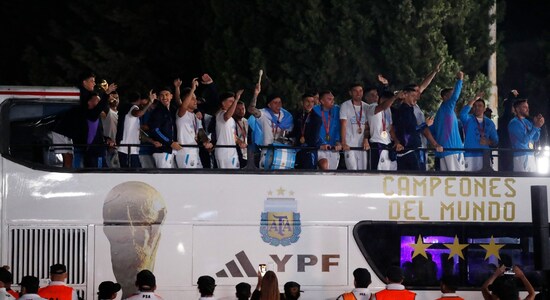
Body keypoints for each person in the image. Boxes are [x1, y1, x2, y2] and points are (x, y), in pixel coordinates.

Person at [394, 85, 442, 170]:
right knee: (418, 177)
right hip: (411, 151)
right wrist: (425, 124)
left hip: (408, 151)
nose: (415, 98)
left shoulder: (408, 109)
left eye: (416, 97)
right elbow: (410, 132)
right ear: (405, 95)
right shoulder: (404, 110)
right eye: (413, 96)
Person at [247, 84, 293, 168]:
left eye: (280, 102)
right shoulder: (264, 113)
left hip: (282, 152)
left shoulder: (287, 116)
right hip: (267, 152)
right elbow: (251, 109)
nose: (278, 105)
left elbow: (291, 134)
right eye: (275, 103)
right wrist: (256, 94)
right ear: (269, 105)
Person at [175, 79, 213, 169]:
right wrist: (192, 89)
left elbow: (200, 131)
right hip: (185, 152)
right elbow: (183, 105)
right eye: (192, 98)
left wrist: (206, 142)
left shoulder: (195, 116)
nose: (195, 101)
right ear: (185, 100)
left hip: (195, 151)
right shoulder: (181, 113)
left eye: (195, 98)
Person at [431, 71, 465, 171]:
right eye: (451, 94)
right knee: (458, 180)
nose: (454, 96)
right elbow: (455, 97)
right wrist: (460, 80)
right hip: (453, 150)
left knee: (447, 181)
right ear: (445, 97)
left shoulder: (439, 114)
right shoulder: (447, 107)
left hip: (442, 153)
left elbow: (431, 131)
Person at [117, 91, 157, 168]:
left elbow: (138, 133)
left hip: (129, 149)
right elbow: (139, 113)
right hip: (127, 149)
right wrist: (150, 102)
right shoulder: (132, 107)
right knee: (132, 174)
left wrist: (152, 141)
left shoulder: (125, 110)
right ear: (139, 100)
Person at [459, 92, 499, 171]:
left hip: (485, 155)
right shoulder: (468, 119)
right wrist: (474, 99)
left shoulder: (489, 123)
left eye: (480, 106)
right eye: (475, 106)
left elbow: (496, 141)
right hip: (469, 155)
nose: (477, 108)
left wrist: (488, 142)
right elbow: (462, 114)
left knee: (485, 181)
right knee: (469, 181)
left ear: (484, 109)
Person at [366, 91, 404, 170]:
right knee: (377, 174)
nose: (375, 97)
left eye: (376, 95)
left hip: (388, 145)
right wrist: (395, 97)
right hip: (378, 145)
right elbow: (383, 106)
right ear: (382, 99)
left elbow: (390, 128)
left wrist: (396, 141)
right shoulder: (372, 107)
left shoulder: (388, 110)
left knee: (390, 173)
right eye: (372, 95)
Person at [147, 87, 181, 168]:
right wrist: (170, 143)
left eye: (166, 95)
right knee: (164, 178)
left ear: (171, 96)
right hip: (162, 151)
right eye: (161, 95)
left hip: (171, 151)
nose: (164, 97)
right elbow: (155, 130)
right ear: (158, 98)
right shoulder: (157, 111)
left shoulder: (173, 110)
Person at [508, 99, 545, 172]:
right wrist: (536, 127)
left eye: (527, 107)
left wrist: (538, 126)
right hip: (521, 156)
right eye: (524, 107)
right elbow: (524, 140)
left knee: (532, 181)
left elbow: (535, 138)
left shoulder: (527, 122)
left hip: (531, 155)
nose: (527, 109)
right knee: (522, 182)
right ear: (518, 109)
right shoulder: (514, 123)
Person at [340, 83, 369, 170]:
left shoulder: (366, 107)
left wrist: (366, 140)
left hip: (362, 146)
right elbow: (343, 125)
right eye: (355, 91)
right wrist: (344, 143)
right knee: (352, 170)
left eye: (360, 91)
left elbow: (367, 126)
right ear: (350, 93)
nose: (358, 93)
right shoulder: (345, 105)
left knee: (363, 171)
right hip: (350, 145)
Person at [290, 93, 322, 169]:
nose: (310, 104)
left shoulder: (316, 118)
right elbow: (296, 131)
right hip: (298, 151)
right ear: (302, 102)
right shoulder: (297, 115)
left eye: (312, 102)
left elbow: (314, 138)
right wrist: (287, 136)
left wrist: (306, 144)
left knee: (309, 175)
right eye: (307, 101)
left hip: (309, 151)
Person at [313, 91, 342, 170]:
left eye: (333, 99)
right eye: (329, 99)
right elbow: (313, 130)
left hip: (333, 148)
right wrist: (320, 143)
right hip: (320, 147)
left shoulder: (337, 110)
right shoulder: (314, 110)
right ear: (322, 101)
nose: (332, 101)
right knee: (324, 165)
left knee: (331, 175)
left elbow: (339, 127)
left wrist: (338, 141)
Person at [215, 90, 243, 169]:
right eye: (231, 101)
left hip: (232, 152)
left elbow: (233, 136)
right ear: (223, 103)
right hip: (224, 153)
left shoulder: (232, 119)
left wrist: (240, 142)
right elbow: (226, 116)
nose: (234, 104)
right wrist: (237, 99)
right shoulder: (220, 115)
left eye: (234, 102)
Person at [498, 89, 520, 171]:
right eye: (512, 106)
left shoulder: (517, 120)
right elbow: (508, 111)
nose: (514, 109)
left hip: (513, 152)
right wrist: (511, 95)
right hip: (507, 151)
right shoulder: (506, 119)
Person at [101, 91, 120, 167]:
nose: (115, 100)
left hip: (119, 147)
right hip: (109, 147)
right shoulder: (105, 112)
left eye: (117, 98)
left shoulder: (120, 114)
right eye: (113, 98)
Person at [233, 101, 249, 167]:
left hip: (246, 154)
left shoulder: (246, 121)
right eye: (238, 109)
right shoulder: (231, 121)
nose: (241, 111)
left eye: (243, 109)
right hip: (236, 153)